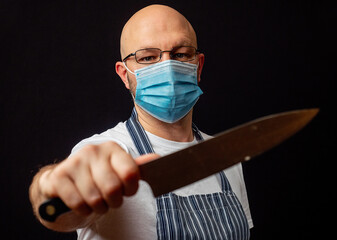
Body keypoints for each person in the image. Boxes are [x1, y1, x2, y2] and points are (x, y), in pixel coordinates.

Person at [29, 4, 253, 239]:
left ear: (198, 66)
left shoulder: (225, 155)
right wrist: (49, 185)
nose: (167, 66)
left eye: (181, 54)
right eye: (147, 57)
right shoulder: (107, 155)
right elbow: (63, 208)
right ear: (125, 74)